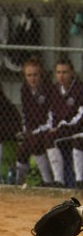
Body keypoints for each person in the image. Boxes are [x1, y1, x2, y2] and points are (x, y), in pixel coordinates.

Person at [15, 58, 55, 187]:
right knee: (22, 150)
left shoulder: (49, 89)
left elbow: (52, 116)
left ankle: (47, 181)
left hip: (49, 128)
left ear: (41, 74)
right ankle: (17, 182)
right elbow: (26, 114)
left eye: (35, 75)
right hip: (33, 130)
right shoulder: (25, 90)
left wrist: (35, 131)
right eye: (29, 75)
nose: (32, 79)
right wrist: (26, 130)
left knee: (35, 141)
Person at [46, 59, 83, 188]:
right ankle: (58, 181)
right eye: (59, 72)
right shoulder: (55, 89)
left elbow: (80, 116)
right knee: (49, 138)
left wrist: (61, 126)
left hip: (77, 128)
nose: (61, 76)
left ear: (72, 72)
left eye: (65, 72)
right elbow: (51, 112)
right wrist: (52, 127)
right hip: (62, 130)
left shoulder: (79, 89)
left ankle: (79, 181)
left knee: (79, 140)